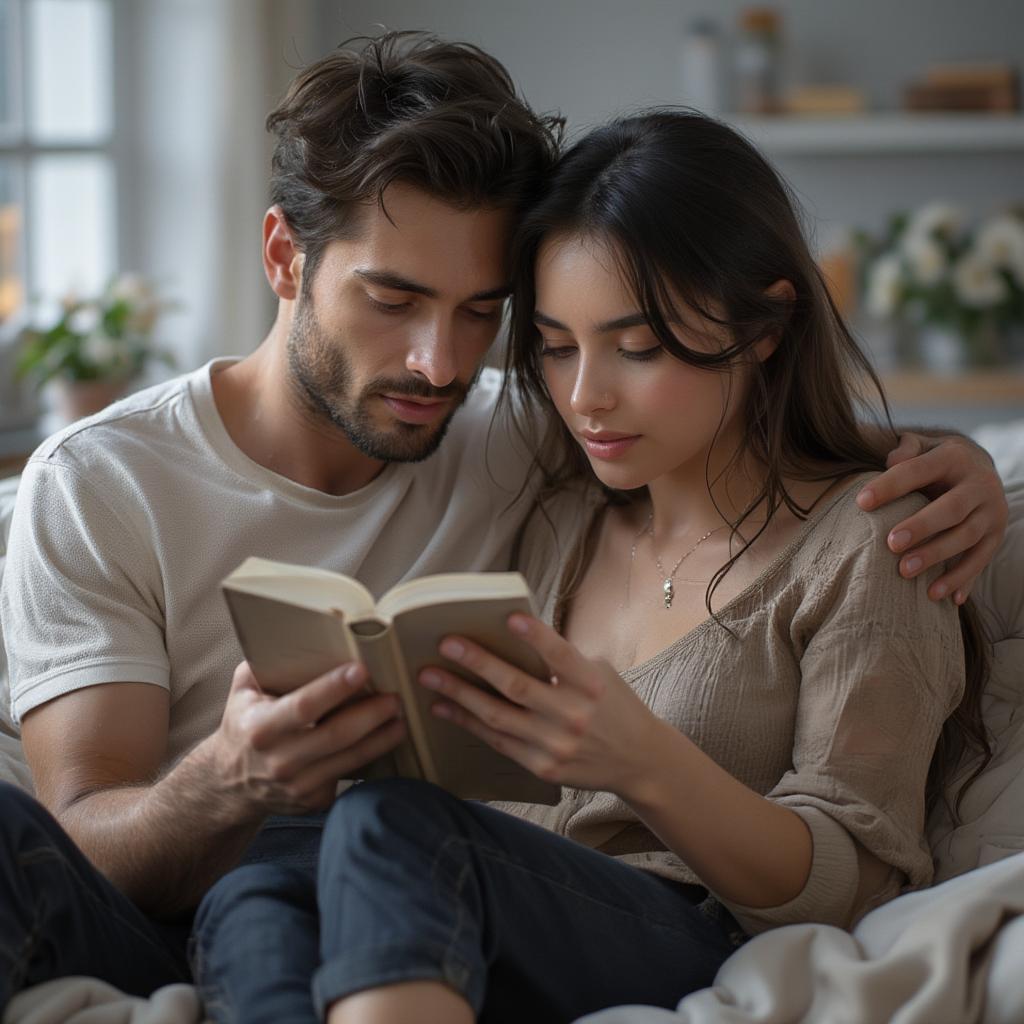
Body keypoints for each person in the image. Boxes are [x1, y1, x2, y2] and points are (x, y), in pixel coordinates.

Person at [0, 33, 1005, 1014]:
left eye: (482, 314)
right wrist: (230, 777)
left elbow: (742, 427)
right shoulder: (103, 482)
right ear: (282, 257)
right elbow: (83, 827)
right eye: (393, 298)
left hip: (489, 884)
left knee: (366, 831)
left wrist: (952, 461)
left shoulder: (522, 442)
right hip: (237, 892)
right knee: (244, 874)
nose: (441, 363)